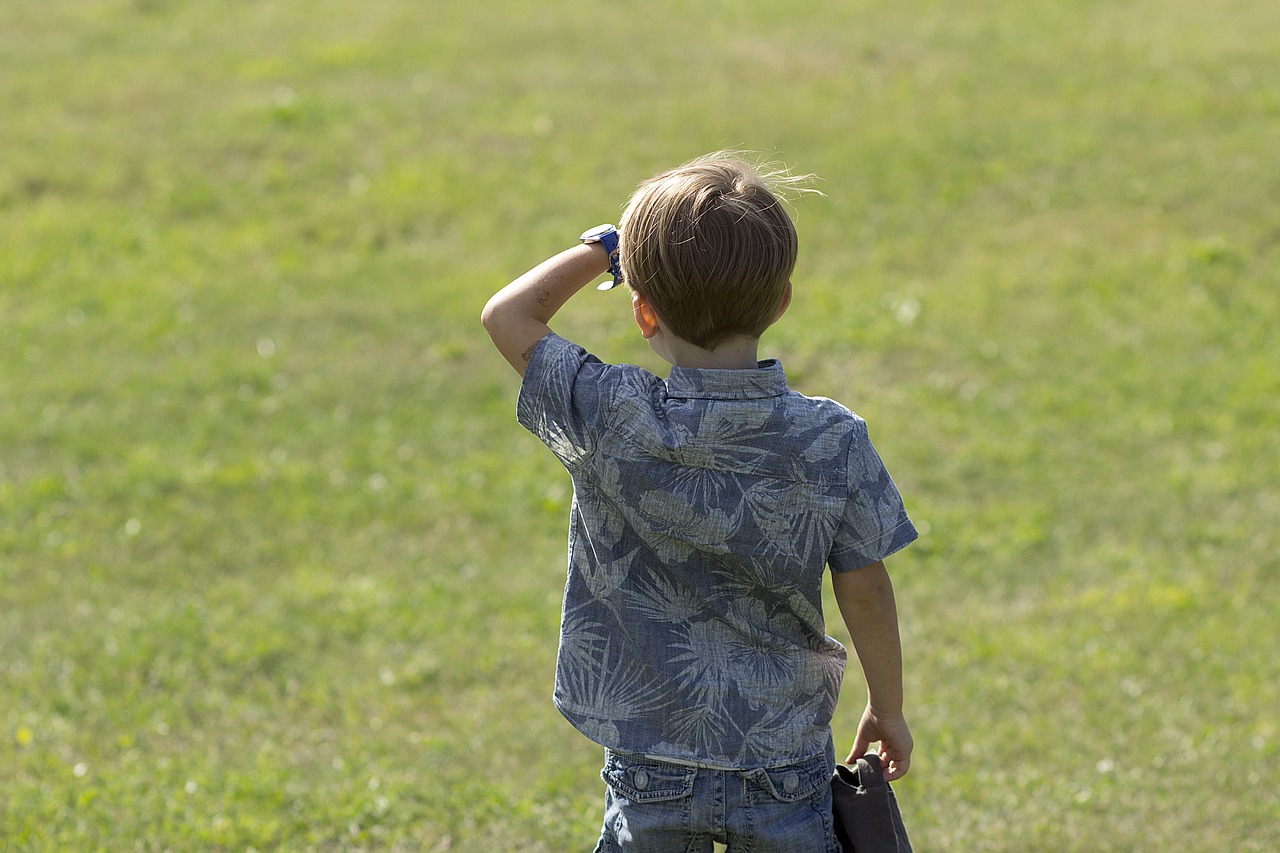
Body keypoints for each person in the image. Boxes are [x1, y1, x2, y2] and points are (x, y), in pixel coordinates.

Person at [481, 152, 918, 852]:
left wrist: (603, 249)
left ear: (644, 312)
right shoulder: (830, 437)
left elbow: (507, 315)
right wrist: (887, 707)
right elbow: (864, 585)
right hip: (783, 758)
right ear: (780, 301)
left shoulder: (609, 415)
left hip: (649, 753)